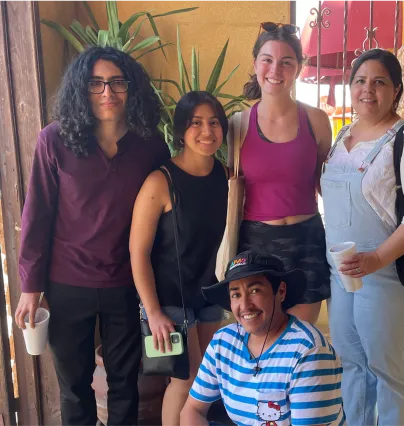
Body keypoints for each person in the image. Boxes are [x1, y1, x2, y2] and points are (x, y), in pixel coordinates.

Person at [14, 46, 170, 426]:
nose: (107, 92)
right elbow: (37, 216)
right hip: (68, 283)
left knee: (125, 384)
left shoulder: (150, 145)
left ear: (131, 88)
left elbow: (164, 218)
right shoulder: (54, 141)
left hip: (124, 282)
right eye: (96, 83)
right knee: (74, 388)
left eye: (117, 82)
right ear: (81, 90)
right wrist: (30, 286)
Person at [321, 48, 404, 426]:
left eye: (379, 82)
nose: (367, 90)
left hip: (387, 276)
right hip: (343, 275)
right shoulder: (342, 136)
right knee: (353, 364)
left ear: (396, 90)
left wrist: (377, 258)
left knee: (389, 372)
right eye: (359, 81)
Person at [130, 91, 229, 426]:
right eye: (196, 123)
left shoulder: (221, 174)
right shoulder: (161, 181)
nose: (207, 130)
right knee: (185, 378)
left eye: (213, 122)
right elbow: (138, 252)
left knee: (206, 381)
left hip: (205, 293)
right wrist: (153, 311)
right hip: (168, 301)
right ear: (181, 131)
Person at [229, 23, 333, 324]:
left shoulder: (316, 119)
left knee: (299, 341)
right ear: (255, 64)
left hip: (307, 241)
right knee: (260, 340)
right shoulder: (237, 125)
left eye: (286, 62)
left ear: (298, 68)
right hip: (256, 245)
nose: (276, 69)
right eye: (267, 60)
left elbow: (328, 185)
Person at [180, 250, 345, 426]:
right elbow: (193, 409)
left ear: (281, 291)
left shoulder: (309, 351)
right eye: (236, 294)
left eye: (255, 290)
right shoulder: (223, 341)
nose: (245, 306)